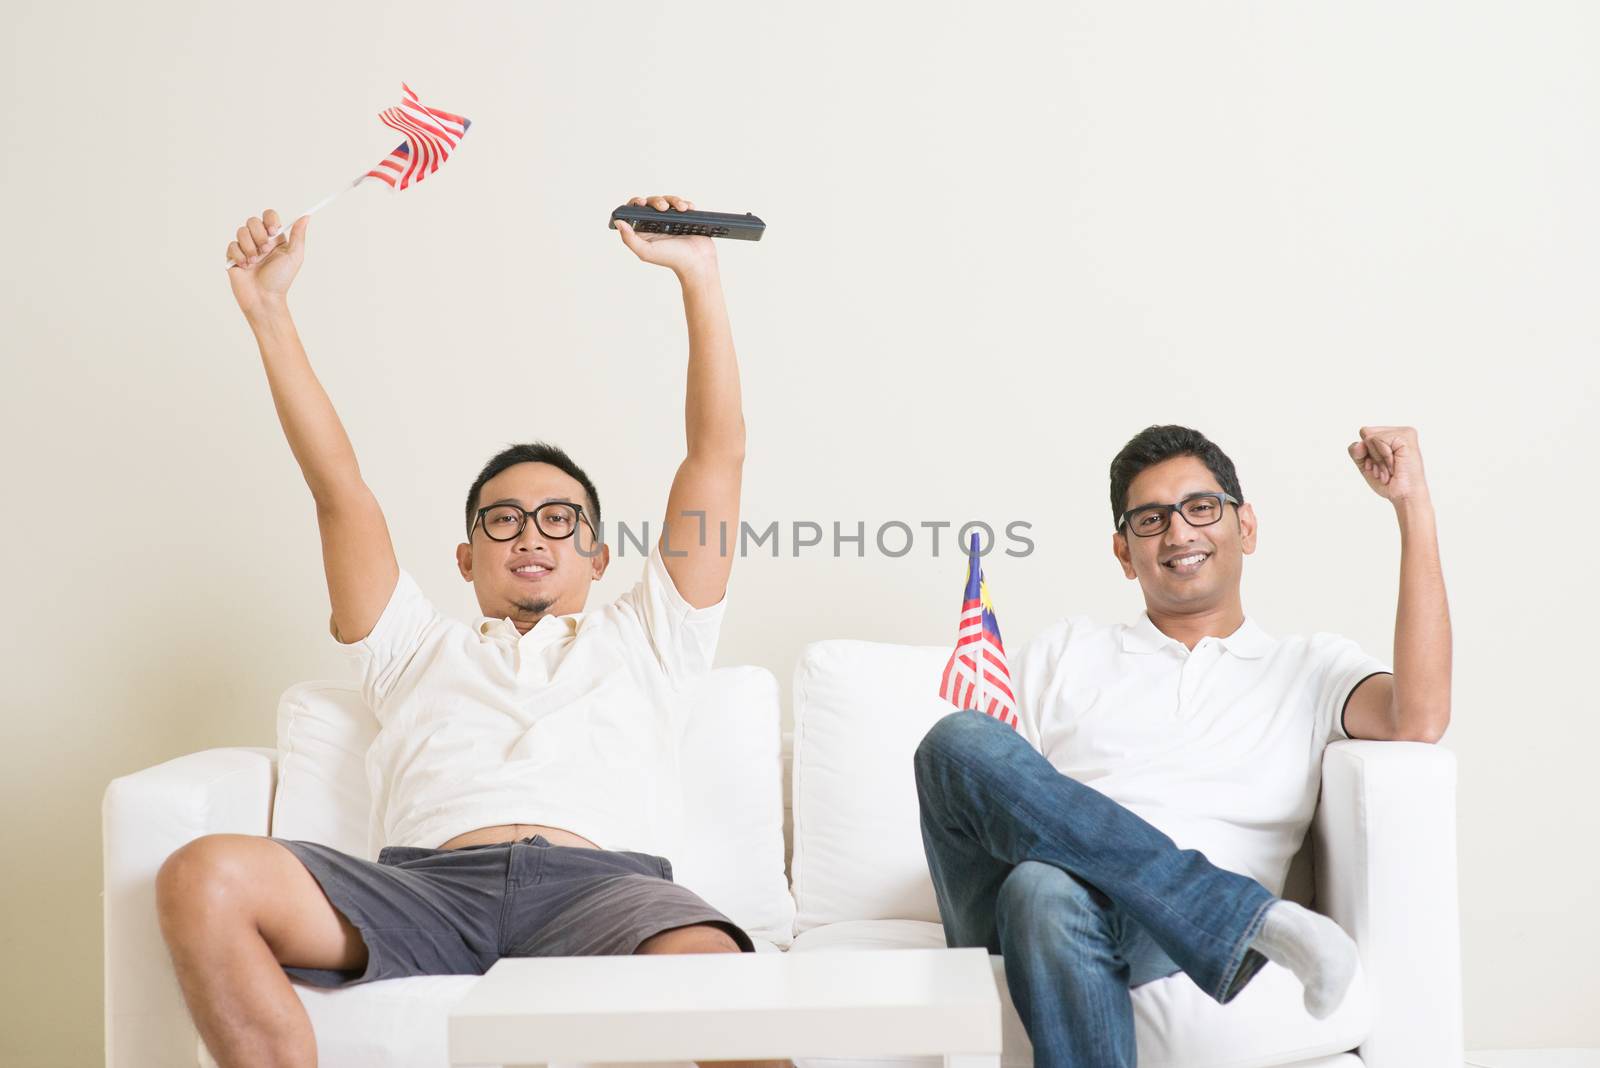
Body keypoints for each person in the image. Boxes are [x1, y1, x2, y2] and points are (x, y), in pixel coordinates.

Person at [157, 195, 760, 1067]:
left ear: (598, 558)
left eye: (560, 520)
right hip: (421, 890)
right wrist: (269, 310)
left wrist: (698, 276)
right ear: (465, 558)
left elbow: (717, 459)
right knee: (201, 874)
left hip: (603, 890)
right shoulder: (412, 647)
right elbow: (340, 490)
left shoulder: (652, 636)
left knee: (717, 971)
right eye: (504, 519)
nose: (531, 535)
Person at [914, 424, 1451, 1067]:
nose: (1178, 533)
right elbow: (982, 793)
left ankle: (1209, 907)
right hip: (1002, 922)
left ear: (1245, 527)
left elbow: (1418, 717)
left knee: (1043, 888)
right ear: (1122, 551)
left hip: (1150, 929)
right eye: (1150, 519)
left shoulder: (1309, 666)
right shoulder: (1065, 651)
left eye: (1201, 508)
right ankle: (1243, 918)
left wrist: (1411, 504)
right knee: (957, 739)